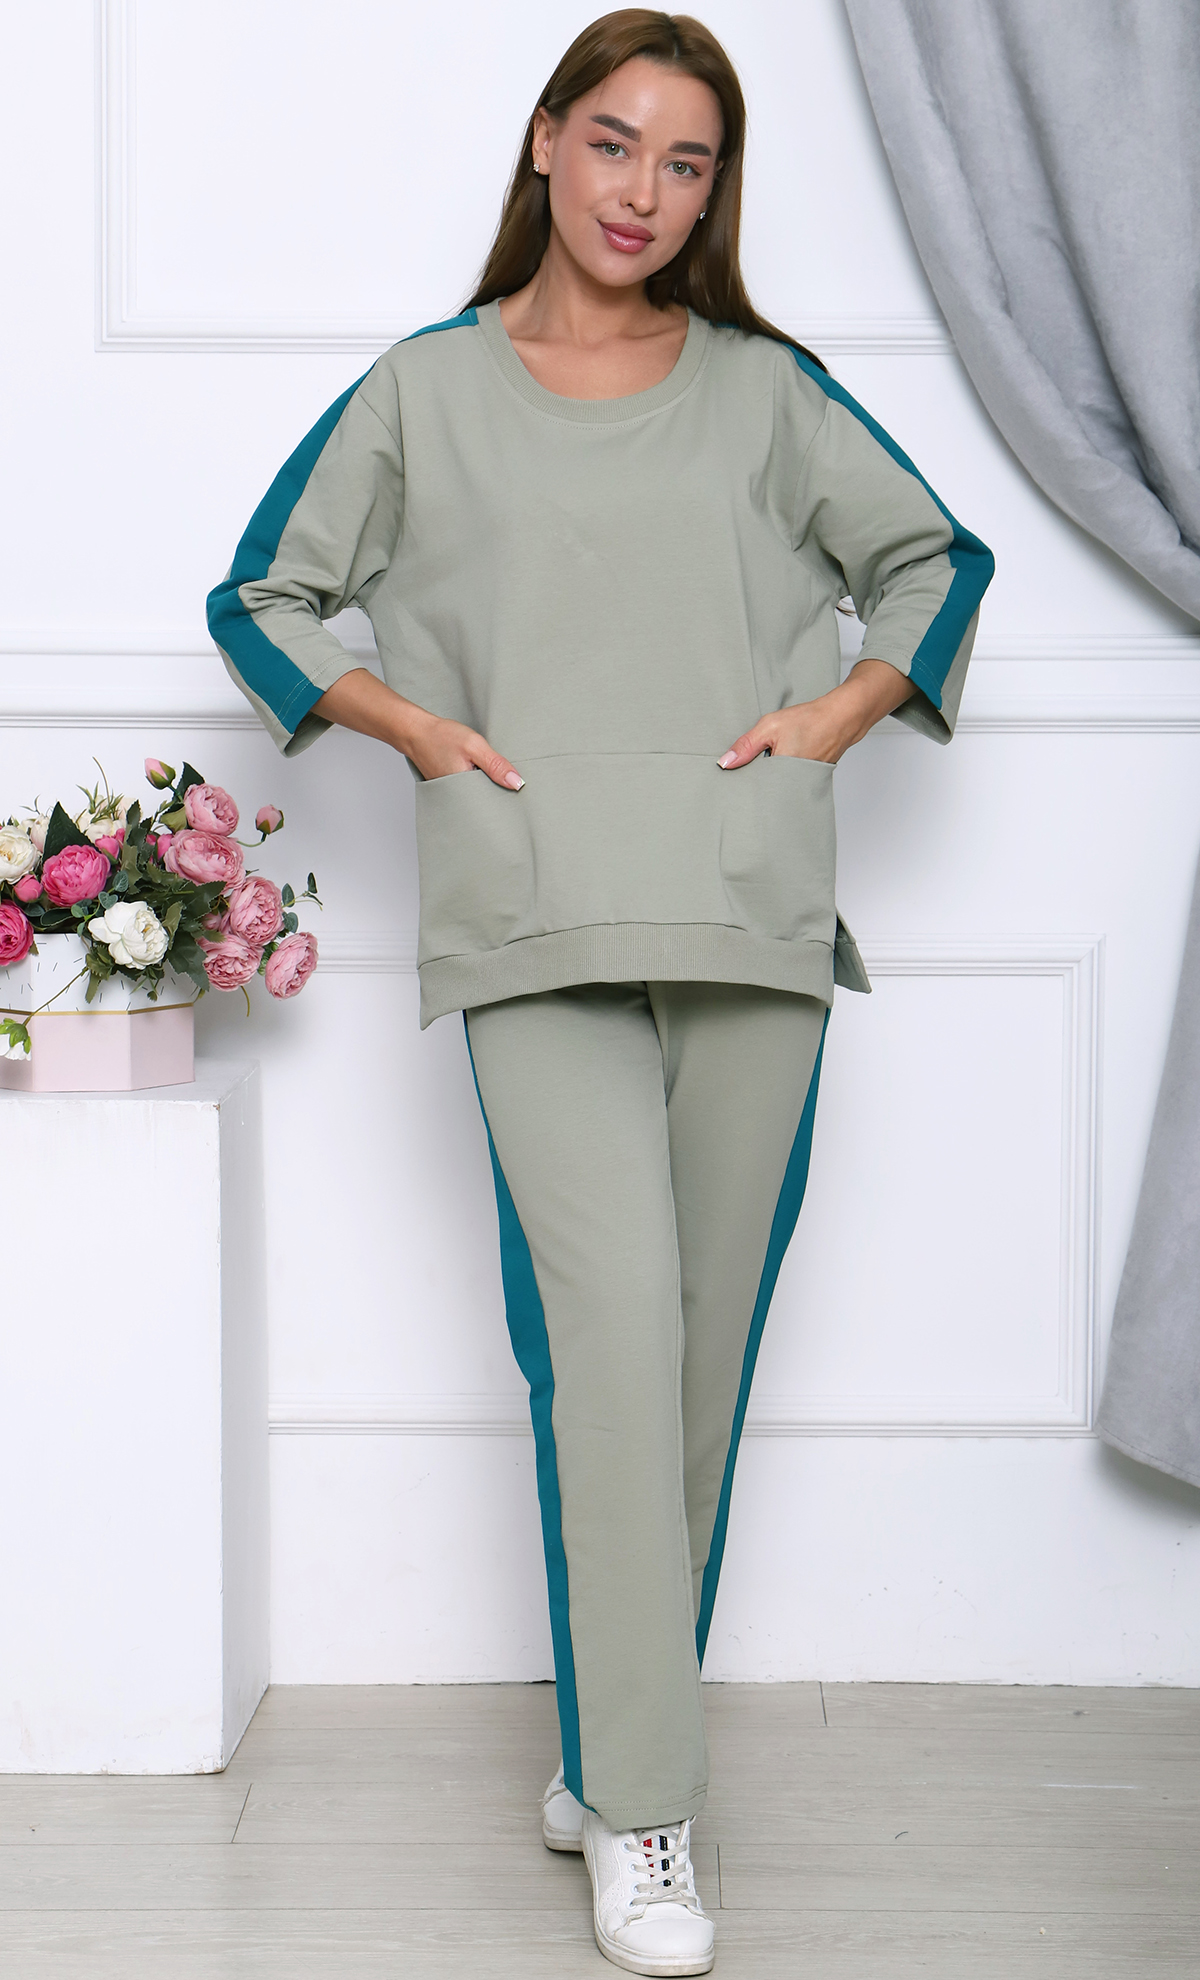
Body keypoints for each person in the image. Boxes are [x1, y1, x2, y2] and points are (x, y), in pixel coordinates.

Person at [208, 11, 994, 1972]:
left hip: (744, 909)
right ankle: (649, 1809)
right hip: (534, 910)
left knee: (696, 1363)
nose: (647, 190)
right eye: (619, 142)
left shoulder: (767, 392)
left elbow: (933, 562)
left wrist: (834, 714)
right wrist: (416, 729)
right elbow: (262, 596)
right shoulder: (424, 389)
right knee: (615, 1335)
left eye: (689, 162)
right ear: (547, 142)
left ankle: (602, 1746)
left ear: (714, 195)